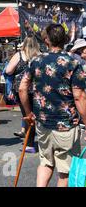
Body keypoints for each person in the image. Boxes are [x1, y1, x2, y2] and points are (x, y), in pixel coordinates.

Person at [19, 24, 86, 187]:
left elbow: (22, 88)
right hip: (66, 125)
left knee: (46, 163)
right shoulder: (73, 62)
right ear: (64, 40)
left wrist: (29, 114)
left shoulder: (35, 61)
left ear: (46, 39)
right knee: (64, 172)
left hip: (43, 123)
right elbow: (79, 97)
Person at [5, 35, 41, 153]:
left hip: (21, 89)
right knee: (37, 115)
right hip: (36, 89)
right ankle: (38, 140)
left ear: (24, 43)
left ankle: (30, 144)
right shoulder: (39, 55)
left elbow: (8, 70)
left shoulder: (19, 55)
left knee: (27, 115)